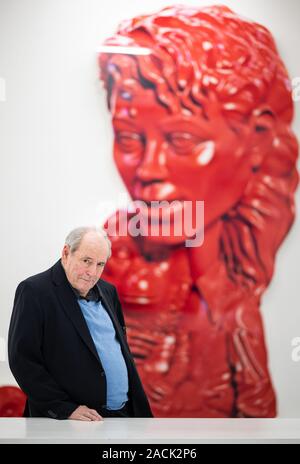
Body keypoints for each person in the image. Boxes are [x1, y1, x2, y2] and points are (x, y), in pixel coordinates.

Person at [98, 5, 299, 417]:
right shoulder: (114, 244)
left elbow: (256, 404)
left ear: (257, 140)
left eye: (183, 140)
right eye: (129, 138)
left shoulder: (233, 274)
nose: (149, 171)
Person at [8, 227, 153, 420]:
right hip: (71, 420)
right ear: (66, 253)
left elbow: (118, 349)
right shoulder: (34, 291)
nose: (92, 273)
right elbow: (23, 361)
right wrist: (65, 409)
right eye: (87, 261)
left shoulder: (108, 291)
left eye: (100, 264)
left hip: (124, 413)